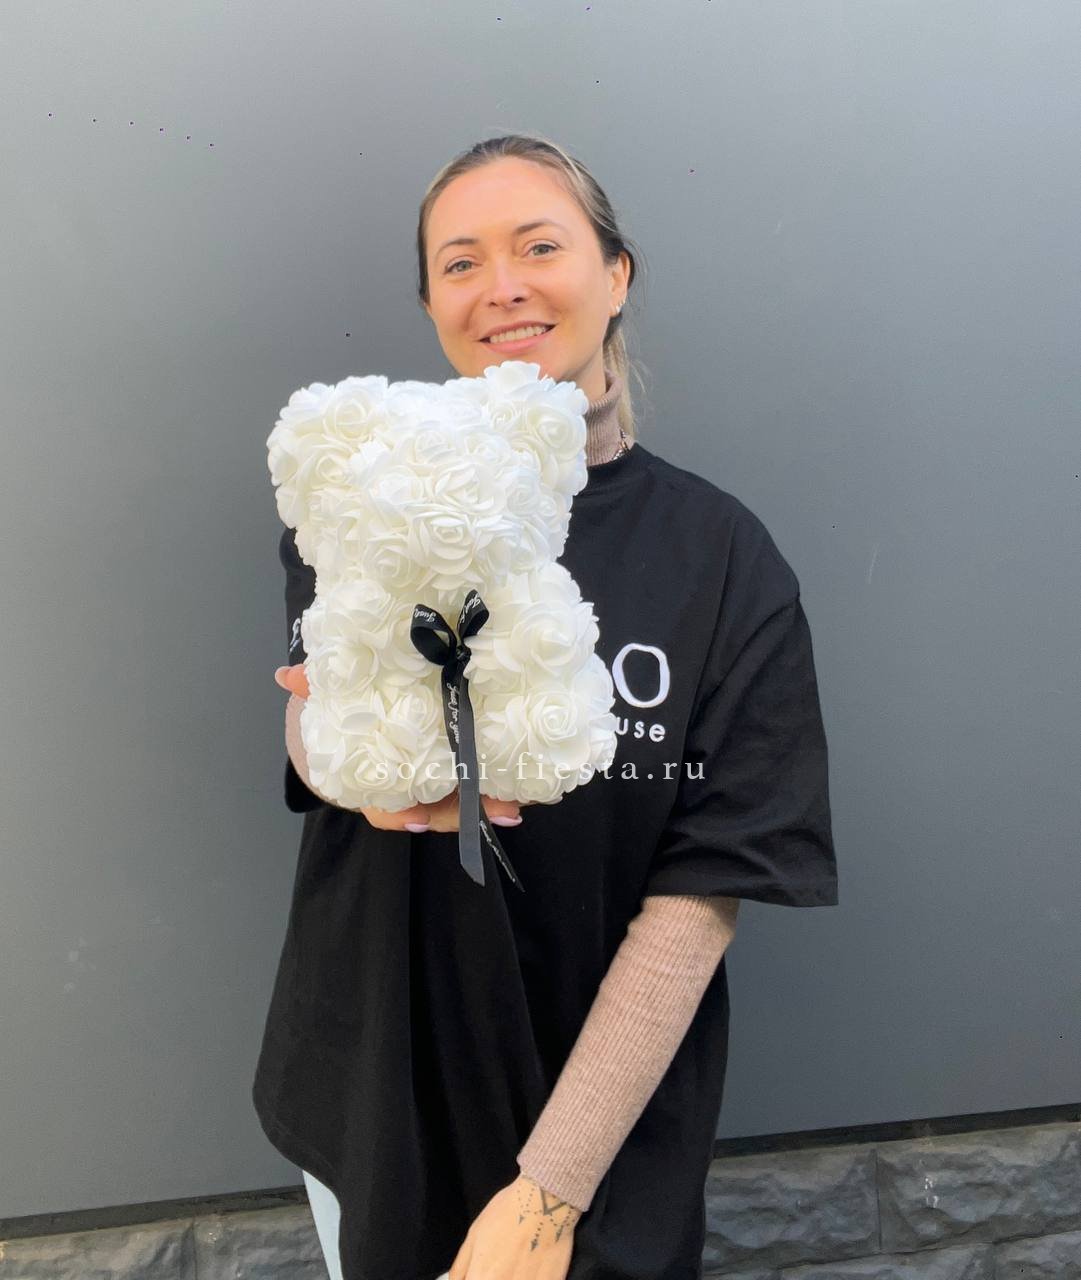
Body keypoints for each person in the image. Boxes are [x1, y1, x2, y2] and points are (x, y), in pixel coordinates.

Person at [253, 133, 839, 1280]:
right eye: (459, 262)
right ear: (431, 304)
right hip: (377, 1082)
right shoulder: (367, 493)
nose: (501, 286)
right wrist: (337, 748)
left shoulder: (721, 555)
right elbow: (315, 726)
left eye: (538, 246)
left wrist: (549, 1187)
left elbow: (703, 891)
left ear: (615, 274)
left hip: (603, 1116)